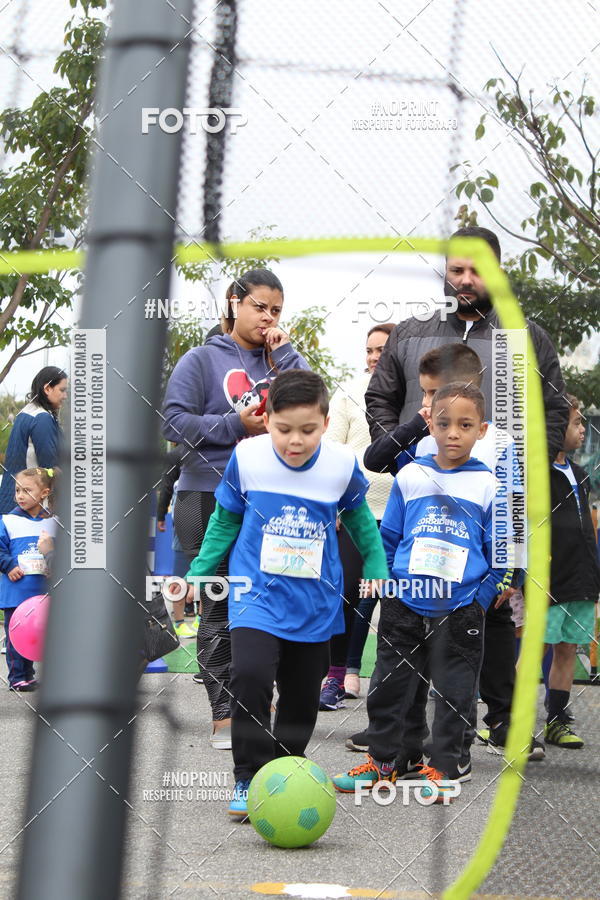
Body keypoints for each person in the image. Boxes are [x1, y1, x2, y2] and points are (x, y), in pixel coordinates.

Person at [365, 226, 569, 754]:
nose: (465, 279)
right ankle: (402, 731)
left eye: (476, 269)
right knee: (411, 600)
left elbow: (552, 411)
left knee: (495, 603)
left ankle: (504, 721)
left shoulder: (527, 336)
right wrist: (401, 446)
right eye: (456, 269)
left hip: (503, 496)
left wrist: (527, 474)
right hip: (426, 491)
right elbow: (380, 398)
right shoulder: (410, 333)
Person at [181, 370, 389, 817]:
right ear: (266, 417)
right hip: (255, 593)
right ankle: (248, 775)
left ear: (325, 421)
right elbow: (224, 520)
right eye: (283, 429)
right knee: (251, 676)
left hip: (315, 601)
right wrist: (198, 571)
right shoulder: (249, 458)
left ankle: (285, 768)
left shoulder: (341, 464)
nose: (295, 441)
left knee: (300, 695)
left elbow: (359, 519)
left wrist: (375, 565)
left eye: (308, 430)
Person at [332, 383, 511, 802]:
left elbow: (501, 554)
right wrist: (390, 583)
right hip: (404, 603)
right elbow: (389, 537)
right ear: (429, 424)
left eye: (465, 425)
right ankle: (388, 761)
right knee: (390, 687)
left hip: (461, 608)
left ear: (481, 430)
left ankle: (447, 766)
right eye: (444, 423)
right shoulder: (410, 475)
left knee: (453, 692)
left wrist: (481, 599)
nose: (453, 433)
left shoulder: (490, 485)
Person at [161, 269, 310, 750]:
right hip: (204, 496)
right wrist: (235, 423)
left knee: (273, 603)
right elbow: (173, 422)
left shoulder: (280, 360)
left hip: (273, 501)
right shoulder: (200, 359)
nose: (268, 318)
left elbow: (310, 404)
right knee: (219, 608)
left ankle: (260, 701)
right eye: (260, 307)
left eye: (276, 311)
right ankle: (225, 713)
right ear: (233, 303)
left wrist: (284, 354)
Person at [319, 323, 395, 709]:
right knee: (347, 593)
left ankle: (379, 683)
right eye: (369, 349)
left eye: (382, 349)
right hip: (355, 510)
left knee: (388, 600)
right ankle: (337, 676)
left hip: (399, 513)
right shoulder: (348, 393)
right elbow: (332, 448)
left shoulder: (410, 395)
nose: (373, 356)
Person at [542, 395, 600, 748]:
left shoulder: (579, 473)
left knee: (566, 651)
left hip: (581, 579)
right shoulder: (537, 473)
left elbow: (590, 528)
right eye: (576, 423)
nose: (581, 430)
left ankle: (556, 720)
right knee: (534, 649)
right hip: (549, 579)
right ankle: (508, 723)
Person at [0, 468, 58, 691]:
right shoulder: (7, 520)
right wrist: (8, 565)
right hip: (16, 592)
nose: (20, 495)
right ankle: (17, 677)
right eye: (17, 490)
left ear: (44, 492)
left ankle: (30, 673)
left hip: (42, 592)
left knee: (36, 634)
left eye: (27, 490)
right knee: (16, 635)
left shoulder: (55, 522)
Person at [0, 367, 67, 515]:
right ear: (47, 388)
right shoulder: (42, 419)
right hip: (31, 508)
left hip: (12, 499)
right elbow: (50, 469)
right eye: (62, 390)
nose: (65, 396)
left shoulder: (26, 412)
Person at [156, 444, 198, 639]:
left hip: (208, 524)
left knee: (207, 573)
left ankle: (200, 619)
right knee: (180, 575)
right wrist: (161, 515)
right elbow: (166, 486)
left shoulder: (213, 455)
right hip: (183, 525)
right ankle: (180, 621)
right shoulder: (176, 456)